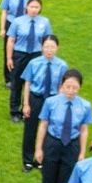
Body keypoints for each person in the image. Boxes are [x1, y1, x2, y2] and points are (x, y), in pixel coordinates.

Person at [34, 69, 92, 183]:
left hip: (71, 146)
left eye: (75, 87)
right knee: (48, 181)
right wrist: (39, 149)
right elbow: (43, 125)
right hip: (52, 143)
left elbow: (84, 130)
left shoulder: (85, 106)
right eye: (68, 86)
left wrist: (82, 152)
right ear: (62, 85)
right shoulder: (51, 102)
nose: (71, 91)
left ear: (80, 87)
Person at [19, 35, 67, 172]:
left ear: (57, 48)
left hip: (52, 100)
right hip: (36, 98)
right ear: (41, 47)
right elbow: (27, 83)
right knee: (30, 129)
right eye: (46, 47)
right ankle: (28, 161)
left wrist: (59, 104)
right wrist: (26, 104)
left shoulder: (62, 66)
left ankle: (41, 160)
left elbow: (62, 86)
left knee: (49, 131)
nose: (49, 50)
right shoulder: (34, 63)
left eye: (52, 47)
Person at [6, 0, 53, 122]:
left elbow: (48, 41)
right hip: (20, 55)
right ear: (27, 7)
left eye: (37, 7)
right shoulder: (18, 21)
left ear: (40, 8)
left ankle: (27, 110)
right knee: (17, 84)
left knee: (33, 84)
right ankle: (14, 112)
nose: (34, 9)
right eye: (32, 6)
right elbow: (11, 40)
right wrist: (9, 58)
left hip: (36, 55)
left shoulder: (45, 22)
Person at [0, 0, 38, 88]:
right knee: (8, 51)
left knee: (22, 51)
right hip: (11, 23)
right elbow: (4, 11)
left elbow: (36, 12)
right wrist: (2, 29)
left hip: (25, 26)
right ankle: (9, 79)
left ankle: (23, 77)